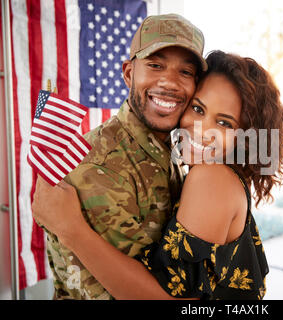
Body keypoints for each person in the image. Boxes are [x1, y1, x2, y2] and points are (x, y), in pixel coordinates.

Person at [33, 49, 283, 299]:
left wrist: (72, 230)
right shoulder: (198, 168)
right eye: (198, 109)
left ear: (243, 136)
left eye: (224, 123)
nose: (201, 129)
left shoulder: (212, 178)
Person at [38, 13, 207, 300]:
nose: (170, 82)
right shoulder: (98, 166)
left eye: (186, 72)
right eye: (155, 65)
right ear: (129, 73)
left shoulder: (175, 150)